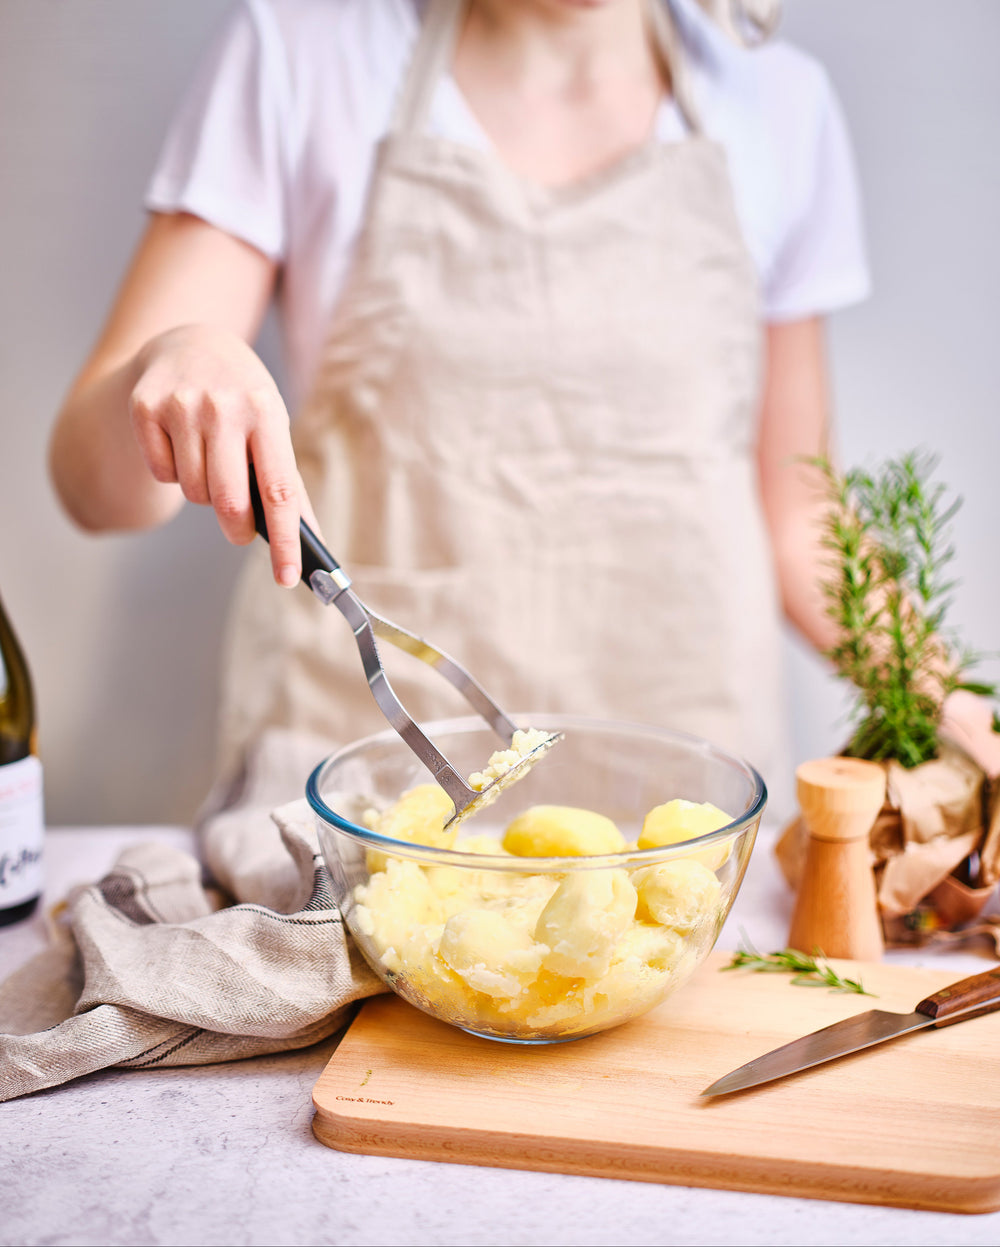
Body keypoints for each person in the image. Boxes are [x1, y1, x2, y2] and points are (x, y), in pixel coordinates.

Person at [48, 0, 998, 831]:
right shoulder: (303, 59)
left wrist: (960, 716)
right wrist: (168, 359)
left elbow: (802, 522)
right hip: (359, 818)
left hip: (683, 824)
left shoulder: (779, 106)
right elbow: (100, 494)